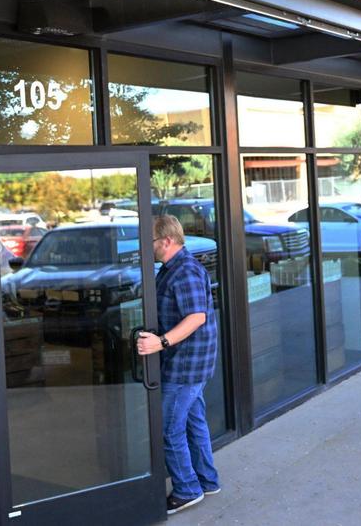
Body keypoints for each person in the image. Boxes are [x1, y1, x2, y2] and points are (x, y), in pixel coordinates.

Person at [137, 214, 221, 515]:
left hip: (185, 365)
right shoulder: (172, 268)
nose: (147, 248)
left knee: (169, 428)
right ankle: (207, 480)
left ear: (167, 241)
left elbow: (196, 316)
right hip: (189, 362)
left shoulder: (184, 270)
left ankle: (187, 489)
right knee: (193, 421)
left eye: (150, 242)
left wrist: (159, 343)